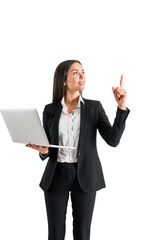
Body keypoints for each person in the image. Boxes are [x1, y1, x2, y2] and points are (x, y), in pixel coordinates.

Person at [26, 60, 130, 240]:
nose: (82, 75)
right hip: (56, 175)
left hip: (86, 175)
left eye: (83, 72)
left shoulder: (94, 108)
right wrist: (43, 151)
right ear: (64, 80)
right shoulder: (50, 110)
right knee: (55, 234)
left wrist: (121, 107)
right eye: (75, 72)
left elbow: (113, 140)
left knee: (82, 234)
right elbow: (49, 148)